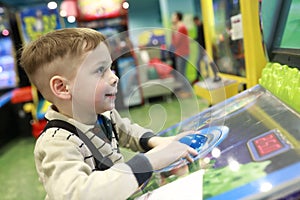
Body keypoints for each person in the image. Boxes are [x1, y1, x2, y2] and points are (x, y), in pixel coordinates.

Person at [20, 28, 198, 200]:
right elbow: (77, 194)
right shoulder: (57, 143)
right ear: (62, 88)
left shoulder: (104, 114)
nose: (114, 77)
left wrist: (160, 143)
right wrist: (151, 161)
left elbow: (126, 131)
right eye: (100, 70)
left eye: (110, 68)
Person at [171, 11, 191, 97]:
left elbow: (176, 42)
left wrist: (173, 32)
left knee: (182, 74)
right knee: (182, 74)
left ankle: (187, 92)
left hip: (182, 53)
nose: (172, 17)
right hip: (181, 53)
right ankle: (186, 91)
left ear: (177, 17)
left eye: (173, 16)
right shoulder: (180, 28)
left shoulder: (181, 28)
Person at [193, 16, 209, 82]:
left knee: (205, 62)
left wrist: (205, 49)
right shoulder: (198, 27)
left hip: (204, 49)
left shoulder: (202, 27)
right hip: (201, 49)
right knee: (199, 62)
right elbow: (200, 38)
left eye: (195, 22)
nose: (195, 24)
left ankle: (208, 75)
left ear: (197, 20)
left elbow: (204, 38)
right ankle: (199, 76)